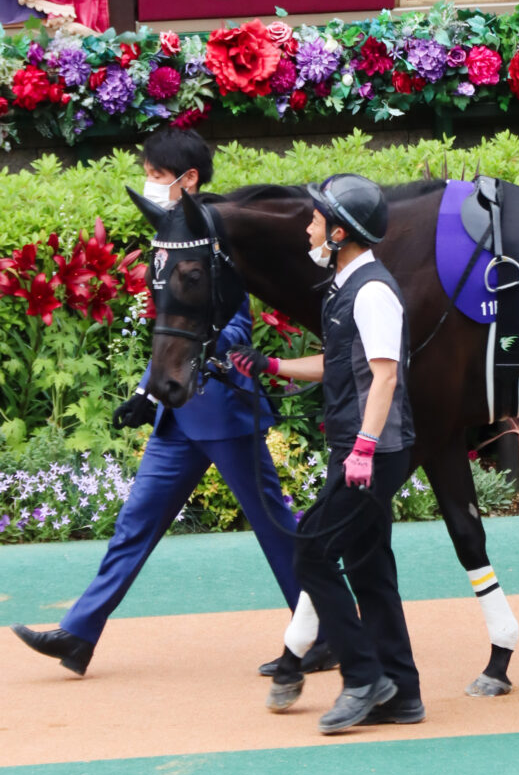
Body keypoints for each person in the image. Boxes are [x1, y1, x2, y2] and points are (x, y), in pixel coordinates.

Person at [10, 128, 335, 678]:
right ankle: (79, 634)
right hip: (178, 413)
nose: (151, 184)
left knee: (274, 527)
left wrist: (215, 354)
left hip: (226, 411)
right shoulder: (171, 237)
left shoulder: (221, 237)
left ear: (189, 180)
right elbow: (171, 332)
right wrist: (144, 391)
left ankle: (327, 630)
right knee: (134, 524)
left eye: (159, 176)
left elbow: (228, 321)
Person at [229, 173, 423, 734]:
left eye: (315, 220)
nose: (308, 228)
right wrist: (271, 367)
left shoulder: (374, 291)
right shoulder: (347, 286)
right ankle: (402, 693)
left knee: (310, 552)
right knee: (368, 566)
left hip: (372, 451)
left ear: (339, 233)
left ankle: (363, 678)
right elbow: (339, 364)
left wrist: (362, 449)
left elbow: (385, 377)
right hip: (360, 447)